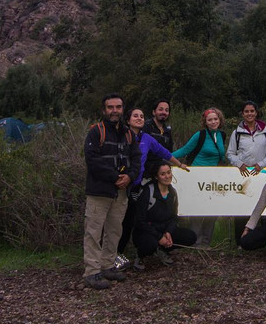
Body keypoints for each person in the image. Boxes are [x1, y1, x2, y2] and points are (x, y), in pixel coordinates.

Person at [115, 107, 187, 271]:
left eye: (141, 116)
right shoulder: (122, 136)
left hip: (136, 186)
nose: (139, 118)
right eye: (135, 116)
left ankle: (128, 252)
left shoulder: (146, 138)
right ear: (127, 120)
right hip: (120, 184)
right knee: (120, 221)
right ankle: (114, 254)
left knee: (131, 219)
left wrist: (179, 164)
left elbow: (163, 152)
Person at [81, 94, 141, 290]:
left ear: (123, 109)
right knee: (94, 232)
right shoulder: (96, 132)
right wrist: (116, 177)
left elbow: (136, 159)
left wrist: (130, 177)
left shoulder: (128, 134)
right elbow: (92, 160)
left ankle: (108, 266)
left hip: (121, 192)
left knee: (114, 231)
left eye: (118, 107)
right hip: (100, 191)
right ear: (104, 110)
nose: (114, 111)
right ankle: (92, 272)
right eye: (110, 107)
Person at [172, 108, 227, 245]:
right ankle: (193, 242)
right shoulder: (200, 135)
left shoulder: (222, 135)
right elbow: (185, 150)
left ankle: (206, 242)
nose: (213, 122)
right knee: (197, 210)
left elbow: (223, 156)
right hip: (197, 176)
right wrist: (167, 156)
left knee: (212, 211)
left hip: (213, 179)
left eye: (216, 119)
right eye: (210, 120)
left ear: (220, 120)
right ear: (205, 122)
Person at [133, 162, 197, 267]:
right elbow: (140, 221)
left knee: (190, 236)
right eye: (163, 174)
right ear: (156, 176)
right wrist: (159, 237)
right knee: (150, 243)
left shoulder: (172, 192)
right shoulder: (147, 192)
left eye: (169, 172)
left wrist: (168, 232)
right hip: (146, 231)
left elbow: (174, 217)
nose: (167, 176)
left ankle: (162, 250)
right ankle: (140, 256)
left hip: (164, 229)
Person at [226, 101, 266, 176]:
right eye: (246, 111)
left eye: (252, 111)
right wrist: (239, 164)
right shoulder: (236, 133)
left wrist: (261, 164)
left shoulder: (265, 131)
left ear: (256, 113)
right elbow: (230, 153)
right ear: (242, 114)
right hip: (242, 173)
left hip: (261, 172)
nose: (249, 114)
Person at [142, 99, 174, 179]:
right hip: (145, 174)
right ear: (154, 112)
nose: (164, 112)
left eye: (166, 110)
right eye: (160, 109)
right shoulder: (146, 127)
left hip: (162, 174)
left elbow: (169, 152)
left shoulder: (167, 130)